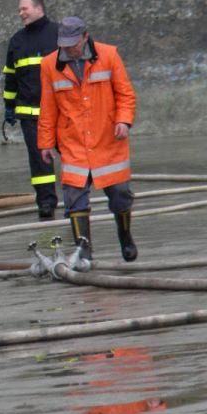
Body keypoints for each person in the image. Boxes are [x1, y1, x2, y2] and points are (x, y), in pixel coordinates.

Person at [38, 16, 137, 261]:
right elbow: (48, 107)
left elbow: (125, 94)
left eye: (73, 43)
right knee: (74, 198)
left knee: (120, 194)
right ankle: (84, 252)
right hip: (74, 144)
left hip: (108, 141)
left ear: (85, 37)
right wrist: (45, 143)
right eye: (64, 44)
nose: (69, 49)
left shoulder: (109, 55)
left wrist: (123, 121)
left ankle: (125, 236)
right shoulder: (50, 65)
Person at [3, 0, 59, 218]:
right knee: (39, 162)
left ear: (39, 8)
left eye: (24, 9)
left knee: (74, 155)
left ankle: (77, 197)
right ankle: (45, 202)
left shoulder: (59, 34)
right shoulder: (17, 41)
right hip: (30, 114)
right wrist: (9, 106)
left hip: (61, 111)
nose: (20, 13)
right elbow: (10, 77)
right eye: (19, 10)